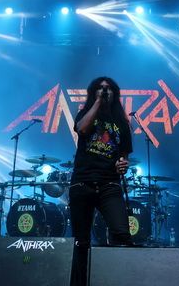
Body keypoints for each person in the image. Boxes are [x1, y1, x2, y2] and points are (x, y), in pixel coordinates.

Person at [69, 76, 133, 286]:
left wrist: (123, 164)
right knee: (81, 241)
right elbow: (82, 129)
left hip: (109, 184)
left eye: (108, 88)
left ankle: (118, 280)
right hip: (83, 182)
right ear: (93, 92)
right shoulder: (85, 114)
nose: (104, 91)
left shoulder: (122, 123)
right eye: (100, 88)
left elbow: (124, 156)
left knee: (122, 234)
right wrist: (97, 102)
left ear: (115, 93)